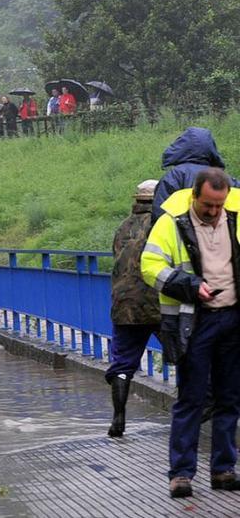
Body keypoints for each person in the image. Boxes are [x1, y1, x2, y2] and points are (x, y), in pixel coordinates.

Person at [141, 168, 240, 498]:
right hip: (193, 322)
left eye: (219, 206)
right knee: (192, 398)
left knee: (229, 398)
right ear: (194, 196)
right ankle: (181, 474)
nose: (214, 213)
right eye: (208, 205)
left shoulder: (235, 216)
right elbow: (150, 267)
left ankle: (224, 470)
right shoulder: (171, 222)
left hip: (233, 319)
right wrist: (190, 285)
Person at [107, 179, 161, 438]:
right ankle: (201, 406)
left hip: (124, 305)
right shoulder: (163, 224)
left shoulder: (122, 227)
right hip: (159, 303)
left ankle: (118, 418)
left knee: (122, 365)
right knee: (187, 353)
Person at [154, 127, 230, 219]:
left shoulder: (175, 176)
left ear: (181, 147)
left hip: (181, 231)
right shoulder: (222, 177)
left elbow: (160, 213)